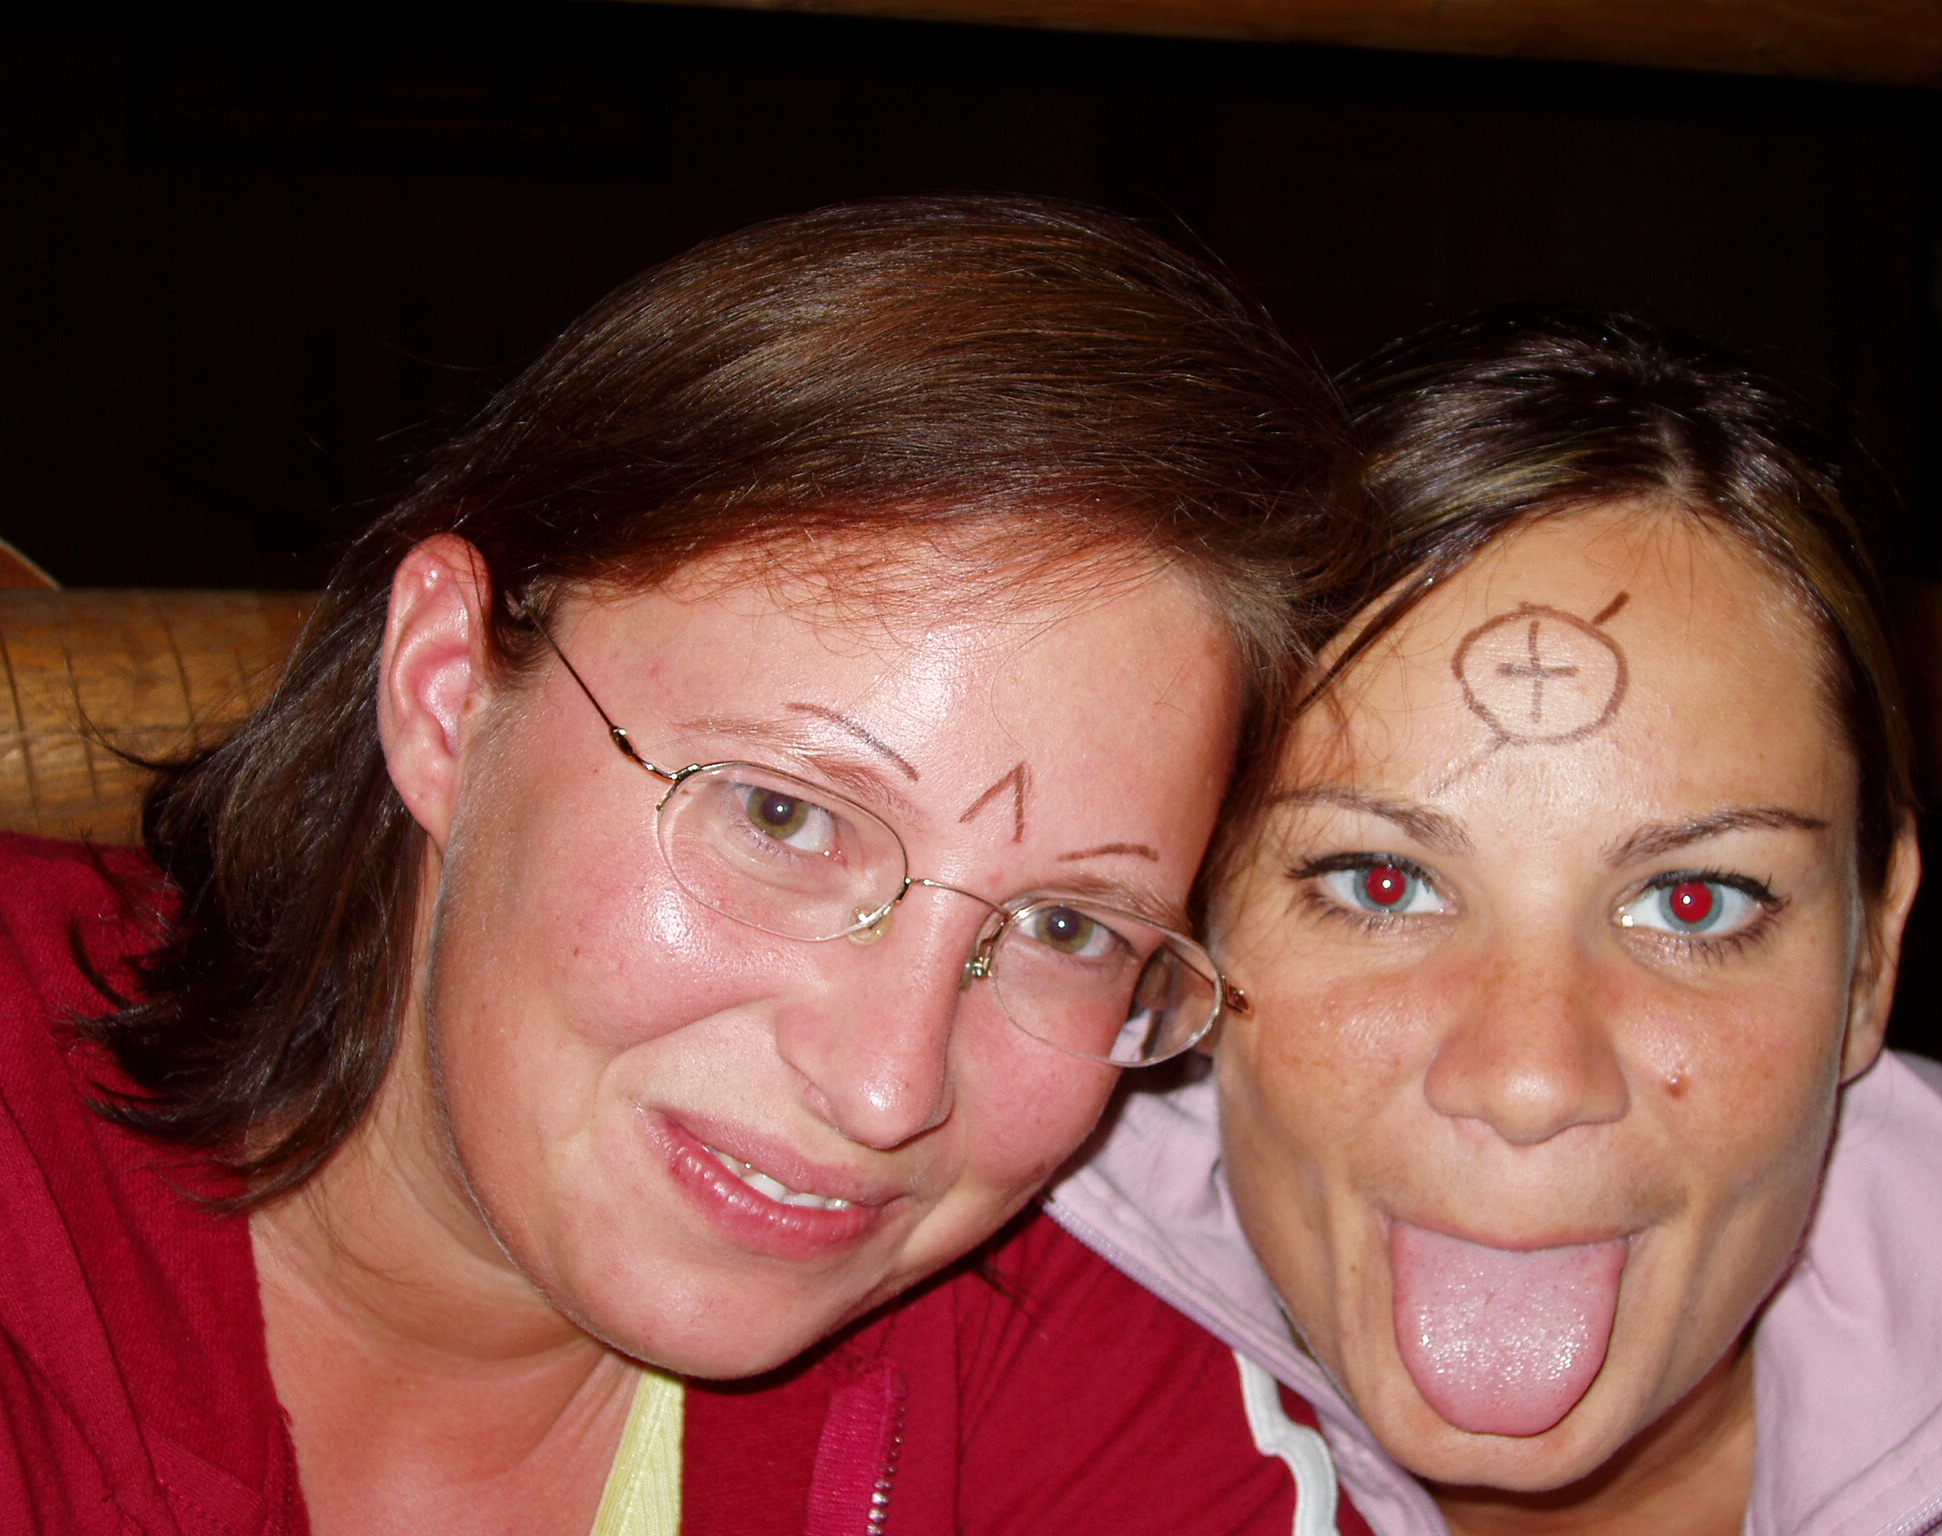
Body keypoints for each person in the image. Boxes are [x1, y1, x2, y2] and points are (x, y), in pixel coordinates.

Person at [0, 196, 1369, 1534]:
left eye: (1067, 927)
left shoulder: (1043, 1357)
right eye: (783, 817)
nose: (887, 1092)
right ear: (444, 691)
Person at [1050, 308, 1942, 1534]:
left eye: (1692, 901)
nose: (1527, 1079)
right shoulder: (948, 1379)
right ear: (1199, 918)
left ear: (1868, 959)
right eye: (1380, 883)